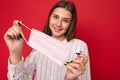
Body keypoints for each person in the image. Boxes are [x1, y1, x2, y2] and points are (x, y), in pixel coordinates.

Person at [4, 0, 91, 80]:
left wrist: (69, 79)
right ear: (49, 17)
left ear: (70, 24)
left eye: (65, 20)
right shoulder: (38, 44)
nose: (58, 24)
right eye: (55, 17)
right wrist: (15, 52)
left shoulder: (80, 46)